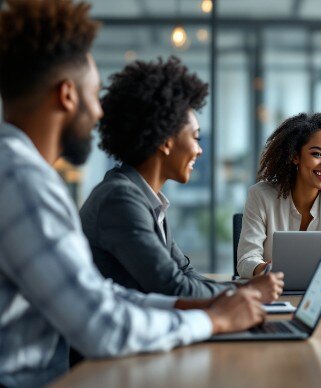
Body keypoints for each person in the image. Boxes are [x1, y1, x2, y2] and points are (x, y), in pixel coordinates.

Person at [0, 1, 264, 385]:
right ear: (67, 95)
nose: (99, 113)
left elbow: (99, 294)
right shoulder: (23, 182)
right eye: (94, 95)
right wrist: (212, 319)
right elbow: (103, 326)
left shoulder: (18, 172)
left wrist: (204, 306)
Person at [79, 57, 283, 301]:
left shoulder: (144, 197)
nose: (199, 150)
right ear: (166, 141)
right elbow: (172, 286)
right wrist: (248, 292)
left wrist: (244, 291)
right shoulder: (120, 199)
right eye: (195, 138)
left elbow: (185, 272)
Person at [237, 113, 321, 280]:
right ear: (295, 156)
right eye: (317, 154)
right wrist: (266, 269)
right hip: (273, 296)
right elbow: (246, 261)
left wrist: (307, 274)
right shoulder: (260, 195)